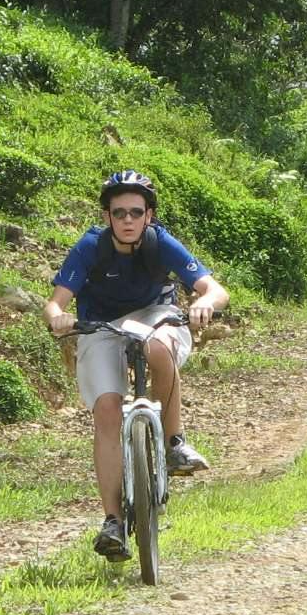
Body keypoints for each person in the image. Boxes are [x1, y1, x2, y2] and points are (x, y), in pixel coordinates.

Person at [44, 170, 229, 561]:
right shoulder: (91, 246)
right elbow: (56, 302)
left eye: (135, 212)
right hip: (101, 325)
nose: (127, 220)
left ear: (149, 215)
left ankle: (173, 443)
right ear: (107, 216)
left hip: (155, 315)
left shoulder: (160, 242)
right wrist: (59, 316)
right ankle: (112, 521)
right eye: (118, 213)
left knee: (160, 347)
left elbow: (214, 289)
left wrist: (203, 303)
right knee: (108, 410)